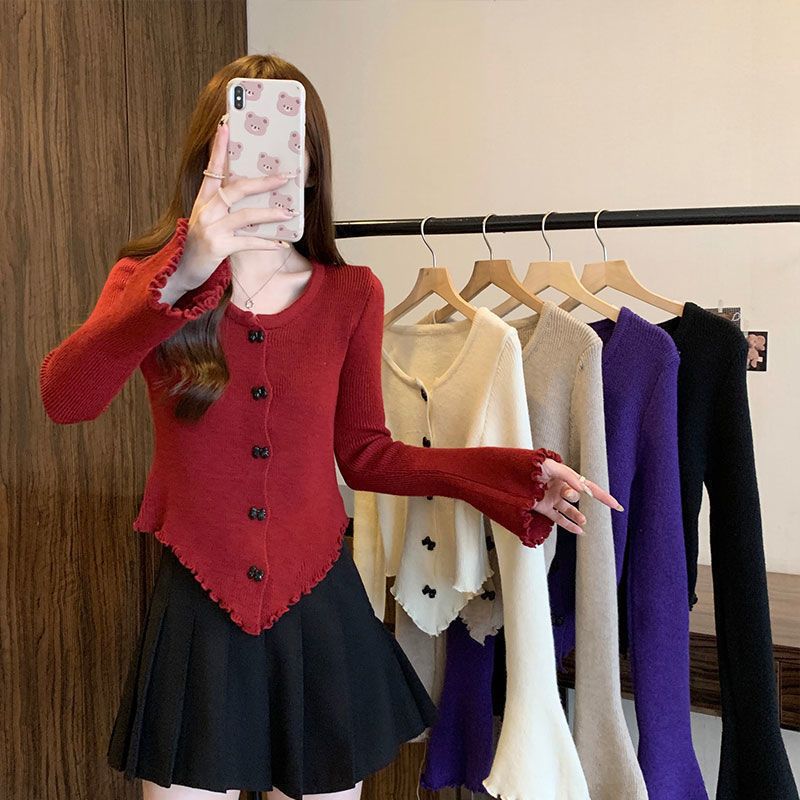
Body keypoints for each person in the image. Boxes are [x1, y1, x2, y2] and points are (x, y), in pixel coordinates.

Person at [38, 53, 622, 800]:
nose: (267, 162)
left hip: (317, 607)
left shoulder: (352, 294)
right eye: (240, 142)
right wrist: (185, 269)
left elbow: (368, 454)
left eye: (290, 144)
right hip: (197, 603)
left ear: (311, 168)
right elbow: (65, 397)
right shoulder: (147, 282)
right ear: (206, 161)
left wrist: (512, 477)